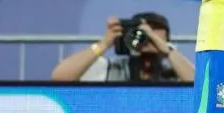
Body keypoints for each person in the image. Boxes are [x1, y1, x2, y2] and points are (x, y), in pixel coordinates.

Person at [51, 14, 194, 81]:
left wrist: (168, 51)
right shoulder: (108, 68)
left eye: (155, 41)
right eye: (144, 38)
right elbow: (59, 77)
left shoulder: (175, 75)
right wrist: (104, 44)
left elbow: (200, 88)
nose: (148, 44)